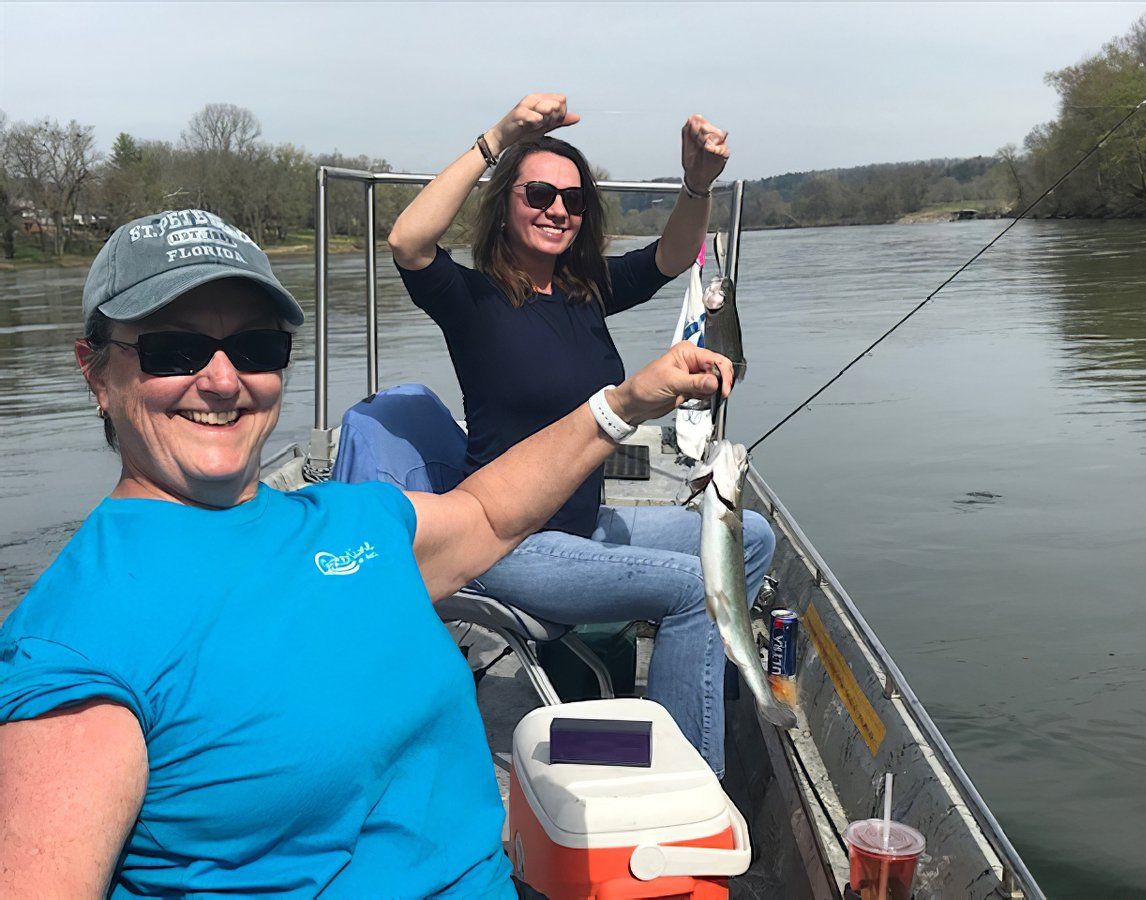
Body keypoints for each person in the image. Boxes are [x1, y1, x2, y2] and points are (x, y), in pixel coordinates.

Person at [0, 210, 732, 898]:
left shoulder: (346, 522)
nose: (223, 380)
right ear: (96, 372)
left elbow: (487, 510)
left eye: (256, 348)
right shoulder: (79, 641)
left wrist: (626, 404)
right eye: (175, 350)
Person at [388, 94, 775, 778]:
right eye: (538, 192)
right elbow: (408, 241)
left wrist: (695, 185)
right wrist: (499, 137)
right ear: (506, 202)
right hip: (511, 542)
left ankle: (693, 702)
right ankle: (683, 783)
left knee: (756, 541)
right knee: (692, 587)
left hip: (584, 524)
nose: (557, 209)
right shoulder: (471, 301)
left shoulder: (585, 290)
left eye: (571, 199)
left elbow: (673, 254)